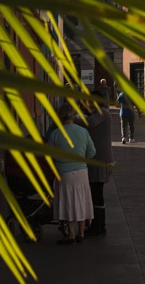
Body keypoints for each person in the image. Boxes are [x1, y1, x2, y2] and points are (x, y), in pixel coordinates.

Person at [46, 104, 95, 244]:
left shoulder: (56, 133)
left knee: (68, 202)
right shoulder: (83, 132)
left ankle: (71, 235)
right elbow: (92, 152)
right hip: (81, 172)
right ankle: (81, 234)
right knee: (81, 200)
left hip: (64, 172)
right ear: (74, 116)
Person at [80, 101, 113, 236]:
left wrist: (72, 118)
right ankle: (100, 225)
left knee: (96, 192)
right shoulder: (101, 113)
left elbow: (89, 123)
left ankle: (98, 226)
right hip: (98, 158)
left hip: (99, 160)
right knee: (96, 192)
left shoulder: (101, 112)